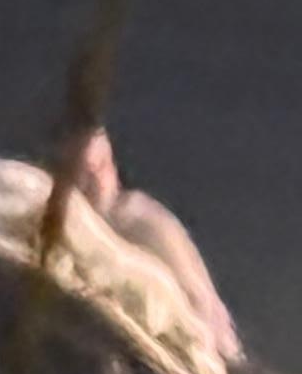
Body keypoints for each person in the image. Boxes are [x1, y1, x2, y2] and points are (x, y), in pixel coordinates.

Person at [63, 129, 240, 362]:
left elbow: (198, 297)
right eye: (85, 173)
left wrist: (214, 353)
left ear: (112, 166)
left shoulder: (135, 216)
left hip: (206, 345)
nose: (94, 181)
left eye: (100, 168)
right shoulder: (82, 223)